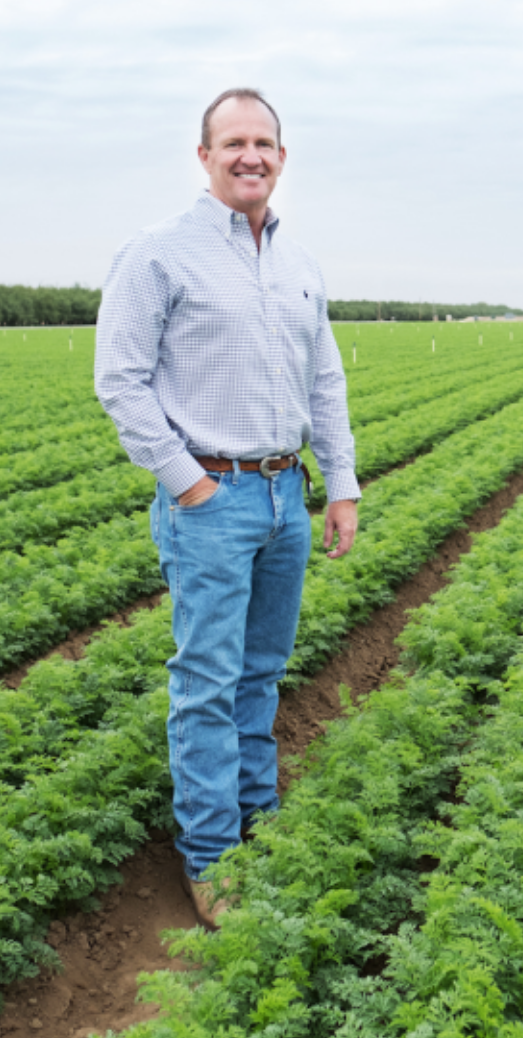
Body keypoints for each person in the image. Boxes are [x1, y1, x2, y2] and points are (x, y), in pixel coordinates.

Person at [94, 87, 360, 930]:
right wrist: (190, 484)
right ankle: (211, 857)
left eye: (266, 143)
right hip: (212, 497)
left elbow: (326, 379)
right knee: (206, 680)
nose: (252, 155)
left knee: (261, 672)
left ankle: (259, 818)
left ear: (283, 157)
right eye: (234, 141)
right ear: (205, 155)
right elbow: (121, 382)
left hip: (286, 493)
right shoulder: (158, 255)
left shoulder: (299, 263)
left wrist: (340, 480)